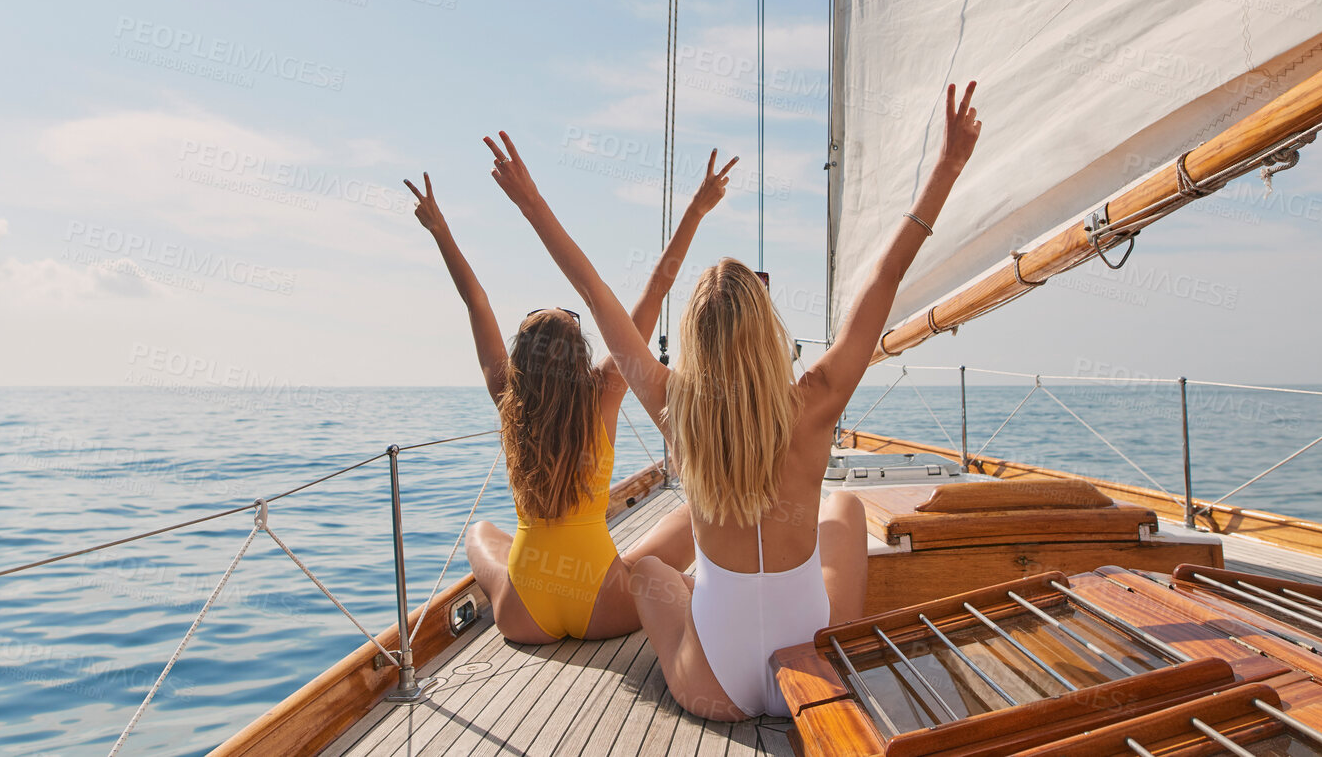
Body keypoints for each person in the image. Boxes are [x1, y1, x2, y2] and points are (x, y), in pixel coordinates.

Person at [484, 81, 982, 717]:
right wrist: (947, 168)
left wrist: (531, 203)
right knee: (846, 507)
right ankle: (806, 634)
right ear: (767, 331)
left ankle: (711, 594)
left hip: (711, 687)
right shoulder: (819, 398)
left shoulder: (673, 408)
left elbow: (593, 288)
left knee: (646, 575)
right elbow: (886, 276)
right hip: (818, 673)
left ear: (693, 340)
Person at [403, 152, 738, 644]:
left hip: (523, 613)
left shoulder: (508, 398)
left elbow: (476, 301)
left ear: (523, 361)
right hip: (601, 602)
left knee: (481, 534)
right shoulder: (605, 390)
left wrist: (439, 231)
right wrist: (695, 210)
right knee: (692, 514)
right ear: (580, 354)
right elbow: (657, 289)